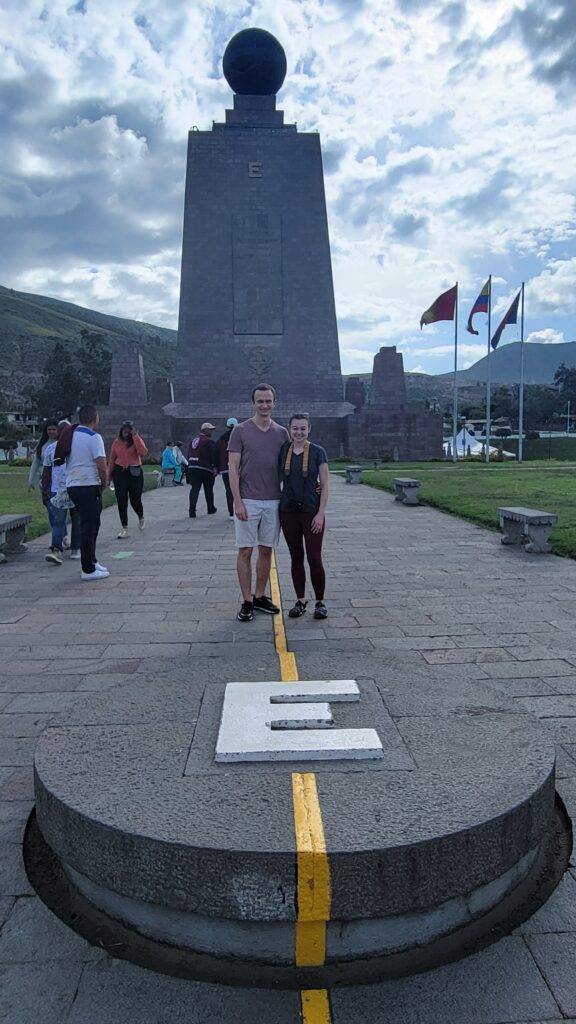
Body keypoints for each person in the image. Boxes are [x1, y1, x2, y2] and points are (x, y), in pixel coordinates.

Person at [228, 384, 289, 622]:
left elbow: (289, 467)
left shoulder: (282, 433)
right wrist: (238, 501)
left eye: (268, 401)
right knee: (245, 551)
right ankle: (246, 600)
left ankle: (260, 595)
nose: (264, 405)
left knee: (266, 550)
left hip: (273, 500)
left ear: (275, 403)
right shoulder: (240, 431)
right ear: (252, 403)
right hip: (249, 500)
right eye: (260, 401)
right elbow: (232, 468)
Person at [278, 413, 329, 620]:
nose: (299, 432)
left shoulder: (318, 452)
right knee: (296, 558)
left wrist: (320, 514)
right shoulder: (283, 450)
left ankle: (319, 602)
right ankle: (300, 600)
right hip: (288, 512)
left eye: (303, 428)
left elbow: (325, 485)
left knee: (314, 557)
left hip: (311, 512)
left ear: (309, 430)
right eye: (295, 428)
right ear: (289, 429)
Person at [65, 404, 109, 581]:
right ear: (94, 418)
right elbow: (100, 463)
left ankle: (92, 559)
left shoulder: (71, 435)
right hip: (87, 484)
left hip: (73, 484)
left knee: (92, 523)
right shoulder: (93, 437)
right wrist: (104, 483)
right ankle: (88, 569)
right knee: (89, 526)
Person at [41, 419, 81, 565]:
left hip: (75, 488)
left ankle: (76, 548)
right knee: (59, 521)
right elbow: (46, 471)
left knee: (76, 519)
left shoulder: (76, 447)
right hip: (57, 491)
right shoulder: (51, 449)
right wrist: (45, 489)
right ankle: (56, 549)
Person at [108, 421, 148, 538]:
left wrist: (135, 437)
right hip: (120, 472)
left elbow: (144, 452)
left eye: (128, 429)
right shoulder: (117, 442)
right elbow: (112, 459)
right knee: (121, 499)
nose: (126, 431)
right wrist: (108, 475)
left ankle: (141, 516)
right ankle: (124, 527)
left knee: (135, 499)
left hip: (134, 472)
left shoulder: (136, 440)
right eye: (124, 429)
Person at [186, 423, 218, 518]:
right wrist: (215, 466)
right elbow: (213, 455)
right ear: (204, 430)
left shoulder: (193, 440)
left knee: (194, 489)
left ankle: (192, 511)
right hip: (204, 468)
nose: (212, 431)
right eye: (210, 429)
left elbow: (189, 453)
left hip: (192, 467)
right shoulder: (208, 442)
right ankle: (210, 508)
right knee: (208, 489)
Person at [216, 417, 238, 519]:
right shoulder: (239, 436)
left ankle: (231, 513)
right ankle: (240, 510)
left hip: (225, 468)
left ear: (227, 426)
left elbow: (215, 453)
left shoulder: (221, 438)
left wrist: (216, 466)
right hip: (238, 468)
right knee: (240, 490)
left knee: (229, 491)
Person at [28, 419, 58, 492]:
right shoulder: (42, 444)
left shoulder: (62, 443)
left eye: (54, 429)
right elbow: (36, 462)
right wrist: (31, 480)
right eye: (49, 429)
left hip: (59, 481)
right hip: (44, 480)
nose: (51, 431)